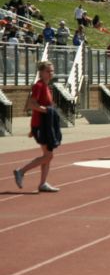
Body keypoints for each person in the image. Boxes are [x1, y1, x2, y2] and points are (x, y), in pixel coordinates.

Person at [13, 60, 61, 193]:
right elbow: (31, 105)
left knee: (48, 155)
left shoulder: (47, 86)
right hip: (40, 125)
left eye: (52, 71)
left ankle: (43, 183)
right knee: (48, 155)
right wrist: (48, 111)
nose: (51, 73)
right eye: (48, 71)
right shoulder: (39, 86)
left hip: (45, 125)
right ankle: (21, 171)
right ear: (41, 72)